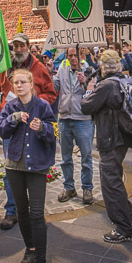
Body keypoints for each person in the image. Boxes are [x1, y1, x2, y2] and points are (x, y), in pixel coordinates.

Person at [0, 33, 57, 230]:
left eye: (21, 46)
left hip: (33, 124)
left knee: (32, 168)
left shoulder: (39, 69)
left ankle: (33, 210)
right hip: (11, 124)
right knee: (11, 170)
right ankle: (12, 210)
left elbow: (51, 94)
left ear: (28, 46)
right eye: (15, 46)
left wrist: (32, 102)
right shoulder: (5, 67)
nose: (18, 50)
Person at [0, 68, 57, 263]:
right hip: (15, 166)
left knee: (36, 214)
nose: (19, 85)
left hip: (37, 166)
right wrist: (12, 119)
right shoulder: (10, 107)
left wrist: (42, 128)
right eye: (16, 83)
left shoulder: (42, 106)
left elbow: (54, 132)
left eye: (23, 82)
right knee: (21, 211)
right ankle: (29, 248)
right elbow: (0, 131)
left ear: (32, 84)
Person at [81, 49, 132, 243]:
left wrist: (89, 88)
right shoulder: (124, 80)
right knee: (115, 177)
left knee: (110, 182)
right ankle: (129, 215)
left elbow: (86, 106)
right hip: (122, 137)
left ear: (103, 66)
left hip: (110, 138)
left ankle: (125, 228)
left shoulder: (105, 85)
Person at [53, 46, 94, 205]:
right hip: (64, 118)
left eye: (76, 55)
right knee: (65, 157)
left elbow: (93, 94)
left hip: (83, 119)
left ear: (82, 55)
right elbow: (54, 88)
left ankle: (87, 188)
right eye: (70, 55)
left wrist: (85, 83)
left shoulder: (89, 70)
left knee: (86, 156)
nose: (73, 58)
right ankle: (69, 187)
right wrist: (50, 74)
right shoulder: (62, 69)